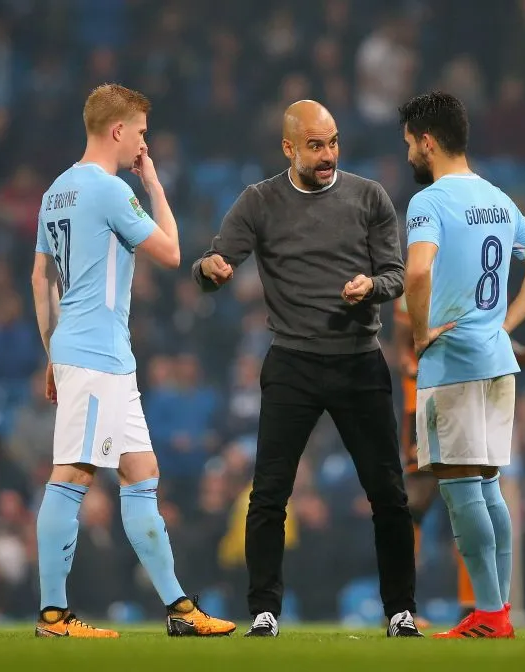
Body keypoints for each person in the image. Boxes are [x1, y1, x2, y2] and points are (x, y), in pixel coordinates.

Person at [192, 100, 421, 638]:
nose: (328, 154)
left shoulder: (369, 197)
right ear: (288, 147)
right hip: (292, 361)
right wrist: (211, 268)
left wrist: (373, 287)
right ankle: (265, 610)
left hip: (359, 361)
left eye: (334, 142)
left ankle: (400, 611)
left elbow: (396, 275)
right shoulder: (260, 201)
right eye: (315, 145)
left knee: (388, 492)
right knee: (269, 492)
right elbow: (209, 266)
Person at [31, 83, 235, 638]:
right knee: (72, 475)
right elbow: (172, 251)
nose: (144, 144)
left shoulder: (56, 192)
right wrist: (152, 181)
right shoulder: (108, 189)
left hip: (97, 354)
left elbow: (40, 279)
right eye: (141, 133)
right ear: (117, 130)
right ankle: (53, 615)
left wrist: (53, 352)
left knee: (141, 474)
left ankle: (179, 609)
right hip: (97, 354)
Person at [400, 91, 525, 639]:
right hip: (496, 361)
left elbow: (417, 274)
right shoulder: (496, 199)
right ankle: (498, 611)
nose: (410, 156)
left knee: (462, 488)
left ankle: (489, 613)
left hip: (454, 364)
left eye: (410, 146)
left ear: (428, 140)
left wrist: (420, 333)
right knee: (488, 484)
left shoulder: (430, 202)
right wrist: (506, 324)